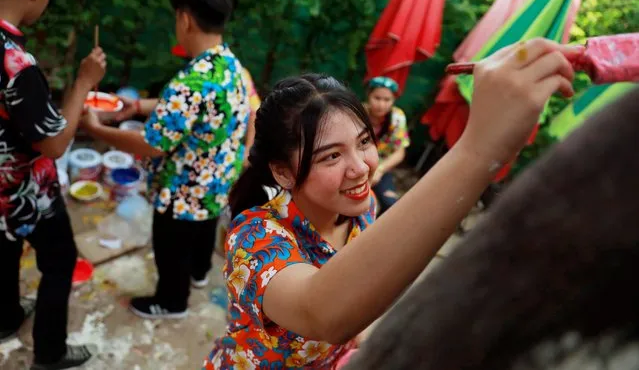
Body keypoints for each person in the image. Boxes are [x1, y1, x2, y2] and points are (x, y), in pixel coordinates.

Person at [203, 39, 579, 369]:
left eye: (364, 143)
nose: (361, 168)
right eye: (331, 157)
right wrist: (478, 149)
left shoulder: (362, 211)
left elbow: (355, 311)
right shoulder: (254, 238)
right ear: (283, 173)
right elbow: (321, 312)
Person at [80, 0, 250, 319]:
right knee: (204, 227)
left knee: (171, 243)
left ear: (185, 19)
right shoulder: (228, 64)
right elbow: (193, 108)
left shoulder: (191, 80)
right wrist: (138, 107)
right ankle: (199, 274)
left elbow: (151, 144)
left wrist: (97, 129)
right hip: (217, 177)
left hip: (183, 187)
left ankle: (172, 302)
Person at [0, 0, 107, 368]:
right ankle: (50, 351)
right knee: (60, 260)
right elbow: (56, 143)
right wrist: (84, 82)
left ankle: (5, 317)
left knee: (4, 249)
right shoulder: (15, 63)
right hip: (26, 190)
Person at [363, 76, 409, 214]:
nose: (381, 104)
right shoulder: (358, 112)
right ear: (368, 96)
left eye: (387, 100)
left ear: (393, 101)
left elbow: (400, 152)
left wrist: (380, 169)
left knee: (390, 204)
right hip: (357, 165)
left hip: (381, 167)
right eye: (377, 98)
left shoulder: (397, 117)